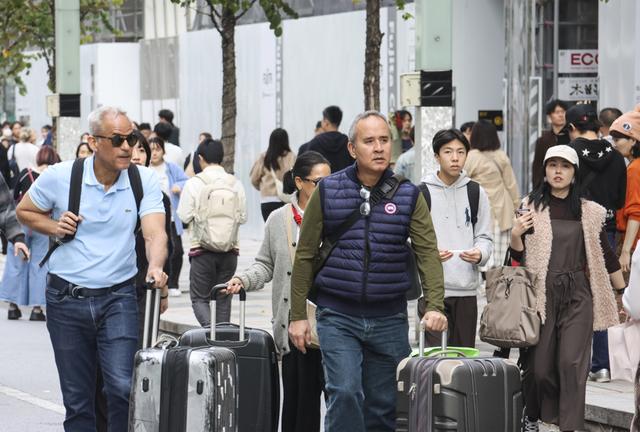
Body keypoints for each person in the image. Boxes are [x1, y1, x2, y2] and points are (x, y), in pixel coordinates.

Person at [288, 111, 447, 432]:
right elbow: (305, 255)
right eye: (369, 141)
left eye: (384, 140)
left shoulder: (408, 194)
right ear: (352, 148)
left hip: (389, 318)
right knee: (345, 392)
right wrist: (298, 315)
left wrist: (435, 305)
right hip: (337, 315)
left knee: (384, 404)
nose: (378, 148)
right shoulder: (328, 190)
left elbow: (427, 252)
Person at [16, 106, 168, 431]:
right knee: (78, 400)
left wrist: (155, 267)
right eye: (117, 140)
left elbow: (155, 233)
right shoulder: (61, 176)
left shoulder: (143, 180)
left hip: (118, 298)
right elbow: (24, 211)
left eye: (131, 139)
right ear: (94, 142)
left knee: (122, 387)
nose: (127, 147)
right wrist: (55, 226)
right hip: (66, 299)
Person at [511, 145, 624, 432]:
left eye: (565, 166)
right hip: (541, 296)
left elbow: (605, 255)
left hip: (578, 295)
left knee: (572, 364)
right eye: (553, 165)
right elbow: (516, 260)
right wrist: (515, 234)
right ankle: (534, 414)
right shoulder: (530, 207)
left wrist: (622, 293)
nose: (558, 171)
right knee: (539, 369)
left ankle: (569, 426)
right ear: (544, 171)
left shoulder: (590, 212)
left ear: (575, 173)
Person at [226, 151, 331, 432]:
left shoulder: (338, 217)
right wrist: (243, 280)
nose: (326, 189)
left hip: (335, 325)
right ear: (299, 182)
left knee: (340, 403)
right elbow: (265, 264)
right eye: (318, 183)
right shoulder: (279, 219)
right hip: (295, 326)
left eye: (330, 182)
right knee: (299, 408)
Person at [94, 130, 173, 432]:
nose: (135, 154)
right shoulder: (107, 191)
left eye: (142, 150)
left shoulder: (155, 196)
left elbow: (165, 244)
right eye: (131, 148)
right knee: (99, 371)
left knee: (127, 367)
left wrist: (163, 290)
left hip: (141, 291)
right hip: (107, 287)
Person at [566, 103, 627, 383]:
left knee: (574, 291)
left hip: (575, 228)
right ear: (598, 126)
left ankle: (573, 360)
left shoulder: (568, 154)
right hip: (607, 228)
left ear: (571, 127)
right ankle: (601, 365)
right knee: (603, 293)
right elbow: (620, 197)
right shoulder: (616, 156)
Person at [420, 129, 493, 348]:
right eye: (448, 152)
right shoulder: (422, 192)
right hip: (431, 291)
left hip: (466, 290)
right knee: (433, 358)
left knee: (463, 357)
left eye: (461, 152)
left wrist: (480, 253)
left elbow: (484, 236)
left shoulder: (475, 192)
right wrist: (429, 253)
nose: (455, 158)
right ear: (436, 156)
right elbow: (411, 238)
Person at [177, 138, 247, 326]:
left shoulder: (194, 183)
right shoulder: (235, 183)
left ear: (200, 158)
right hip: (230, 251)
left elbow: (184, 216)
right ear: (221, 157)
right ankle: (222, 337)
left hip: (202, 251)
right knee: (224, 298)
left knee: (200, 299)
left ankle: (211, 334)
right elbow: (243, 217)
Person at [0, 146, 60, 321]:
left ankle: (12, 306)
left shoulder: (26, 173)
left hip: (20, 222)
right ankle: (37, 308)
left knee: (15, 263)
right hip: (42, 223)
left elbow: (12, 197)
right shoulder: (55, 176)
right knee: (39, 265)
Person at [464, 120, 520, 269]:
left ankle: (483, 278)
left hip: (479, 210)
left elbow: (463, 182)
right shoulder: (501, 156)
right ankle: (497, 280)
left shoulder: (470, 157)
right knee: (500, 256)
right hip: (502, 212)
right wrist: (518, 209)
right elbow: (511, 185)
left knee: (480, 249)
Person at [148, 136, 188, 297]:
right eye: (151, 150)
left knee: (176, 250)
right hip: (151, 218)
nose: (154, 153)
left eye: (157, 149)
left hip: (171, 217)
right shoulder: (145, 169)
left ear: (163, 151)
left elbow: (186, 181)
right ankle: (158, 280)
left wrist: (178, 186)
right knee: (157, 250)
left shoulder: (171, 168)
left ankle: (173, 283)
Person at [250, 128, 296, 221]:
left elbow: (254, 179)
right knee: (285, 228)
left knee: (270, 228)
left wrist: (263, 187)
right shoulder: (291, 157)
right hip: (285, 200)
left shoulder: (264, 157)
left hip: (267, 201)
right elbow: (296, 177)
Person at [299, 105, 354, 172]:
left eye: (323, 120)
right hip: (344, 178)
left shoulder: (315, 143)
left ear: (326, 123)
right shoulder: (348, 143)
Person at [531, 99, 570, 187]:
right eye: (557, 112)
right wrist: (537, 188)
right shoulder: (543, 140)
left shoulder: (572, 137)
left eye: (563, 112)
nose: (561, 115)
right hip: (548, 185)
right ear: (549, 117)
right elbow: (537, 167)